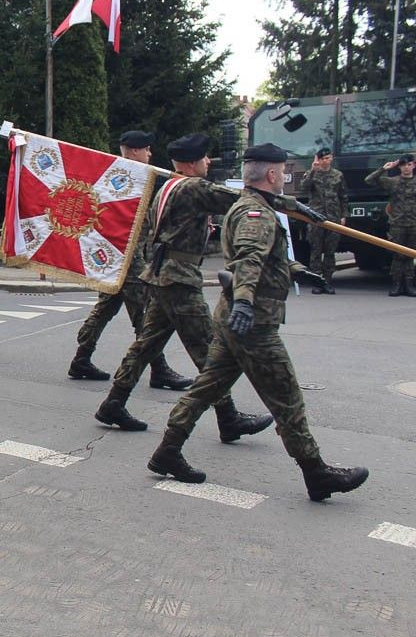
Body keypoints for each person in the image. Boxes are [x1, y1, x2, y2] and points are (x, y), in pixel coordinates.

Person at [147, 143, 369, 502]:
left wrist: (297, 269)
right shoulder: (257, 216)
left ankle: (167, 451)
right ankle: (317, 472)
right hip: (253, 325)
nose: (284, 178)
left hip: (232, 321)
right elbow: (248, 261)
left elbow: (263, 259)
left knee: (205, 389)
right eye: (282, 173)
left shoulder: (246, 206)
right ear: (271, 174)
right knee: (288, 400)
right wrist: (246, 304)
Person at [94, 133, 274, 441]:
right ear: (191, 163)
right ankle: (228, 417)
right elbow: (244, 201)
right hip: (179, 279)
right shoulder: (193, 187)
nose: (208, 162)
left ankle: (113, 402)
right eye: (205, 158)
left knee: (145, 346)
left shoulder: (168, 187)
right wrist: (288, 204)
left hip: (162, 275)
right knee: (210, 350)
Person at [68, 131, 192, 390]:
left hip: (113, 255)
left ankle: (81, 359)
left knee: (105, 307)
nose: (149, 154)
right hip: (127, 256)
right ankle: (159, 370)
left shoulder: (114, 174)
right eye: (146, 149)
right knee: (144, 314)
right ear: (135, 151)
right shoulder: (132, 177)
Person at [364, 153, 416, 296]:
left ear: (413, 165)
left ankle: (410, 285)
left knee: (410, 255)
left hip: (413, 224)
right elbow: (369, 180)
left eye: (409, 164)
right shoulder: (393, 182)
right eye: (403, 165)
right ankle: (397, 285)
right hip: (397, 224)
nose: (406, 167)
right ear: (399, 167)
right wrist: (383, 169)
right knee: (398, 255)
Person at [298, 147, 348, 294]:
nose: (327, 160)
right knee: (315, 251)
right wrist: (313, 170)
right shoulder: (312, 174)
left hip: (333, 217)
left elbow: (343, 196)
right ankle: (317, 281)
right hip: (316, 217)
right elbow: (304, 187)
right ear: (319, 160)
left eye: (329, 158)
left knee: (330, 252)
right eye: (324, 158)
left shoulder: (338, 175)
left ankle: (327, 281)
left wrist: (344, 215)